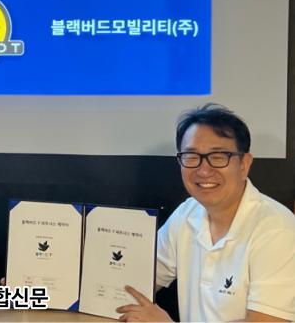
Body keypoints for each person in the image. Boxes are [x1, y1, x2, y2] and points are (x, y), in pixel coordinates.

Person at [117, 104, 295, 322]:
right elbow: (137, 280)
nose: (203, 170)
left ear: (244, 165)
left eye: (218, 156)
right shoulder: (187, 214)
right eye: (191, 156)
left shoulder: (277, 230)